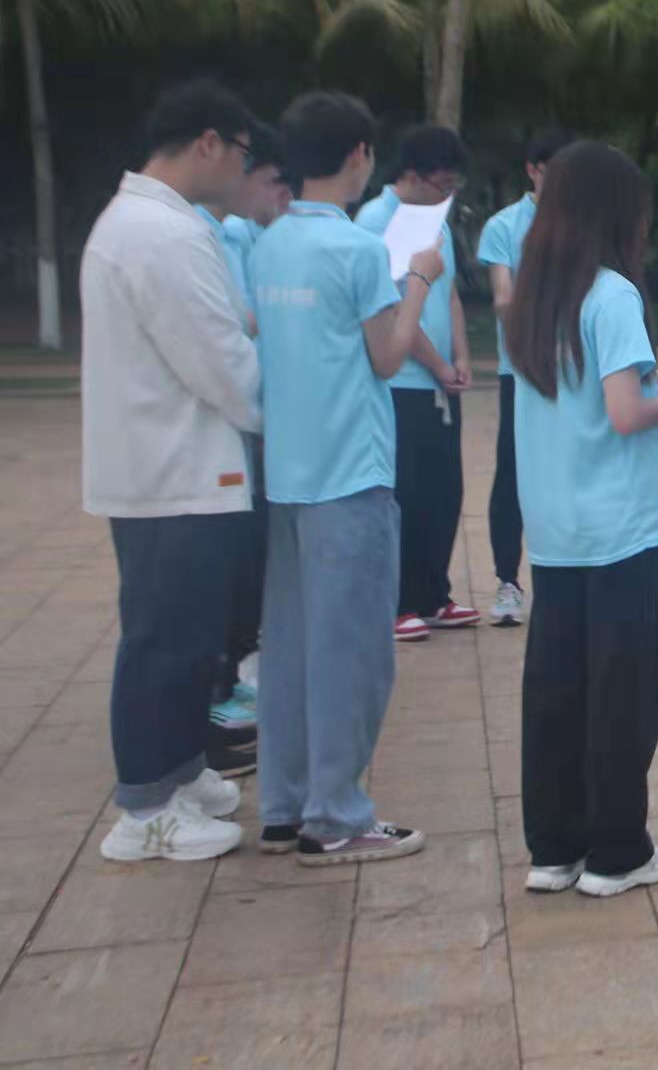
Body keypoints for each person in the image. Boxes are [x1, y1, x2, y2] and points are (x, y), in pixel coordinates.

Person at [251, 91, 440, 865]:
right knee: (354, 653)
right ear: (360, 155)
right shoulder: (358, 250)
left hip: (288, 475)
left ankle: (283, 805)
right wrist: (419, 279)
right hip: (350, 476)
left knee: (291, 649)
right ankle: (336, 816)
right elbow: (387, 357)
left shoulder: (268, 243)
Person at [83, 80, 265, 863]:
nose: (245, 170)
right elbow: (223, 363)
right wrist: (280, 410)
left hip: (173, 469)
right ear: (209, 142)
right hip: (172, 475)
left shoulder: (154, 223)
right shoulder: (160, 235)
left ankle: (180, 773)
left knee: (189, 640)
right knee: (164, 642)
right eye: (243, 154)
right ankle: (146, 808)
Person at [505, 140, 658, 897]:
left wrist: (649, 383)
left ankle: (554, 849)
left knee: (555, 691)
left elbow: (581, 394)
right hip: (621, 529)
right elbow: (622, 413)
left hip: (554, 528)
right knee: (623, 693)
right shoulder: (611, 295)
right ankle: (617, 853)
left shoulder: (532, 295)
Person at [355, 126, 478, 640]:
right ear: (411, 174)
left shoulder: (435, 220)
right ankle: (398, 600)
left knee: (443, 490)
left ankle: (433, 594)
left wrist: (460, 355)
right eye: (441, 184)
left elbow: (446, 293)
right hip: (400, 380)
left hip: (439, 381)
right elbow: (388, 307)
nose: (446, 195)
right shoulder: (374, 222)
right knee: (405, 491)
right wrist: (435, 364)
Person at [201, 128, 289, 742]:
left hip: (249, 426)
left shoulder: (251, 234)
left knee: (249, 555)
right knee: (229, 567)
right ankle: (223, 688)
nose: (281, 199)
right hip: (231, 428)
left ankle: (234, 677)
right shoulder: (217, 236)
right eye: (275, 185)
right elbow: (239, 324)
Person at [475, 128, 571, 628]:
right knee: (512, 473)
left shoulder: (582, 223)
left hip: (575, 369)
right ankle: (508, 582)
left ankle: (565, 574)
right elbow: (503, 297)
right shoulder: (503, 226)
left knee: (568, 470)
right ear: (533, 170)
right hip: (522, 368)